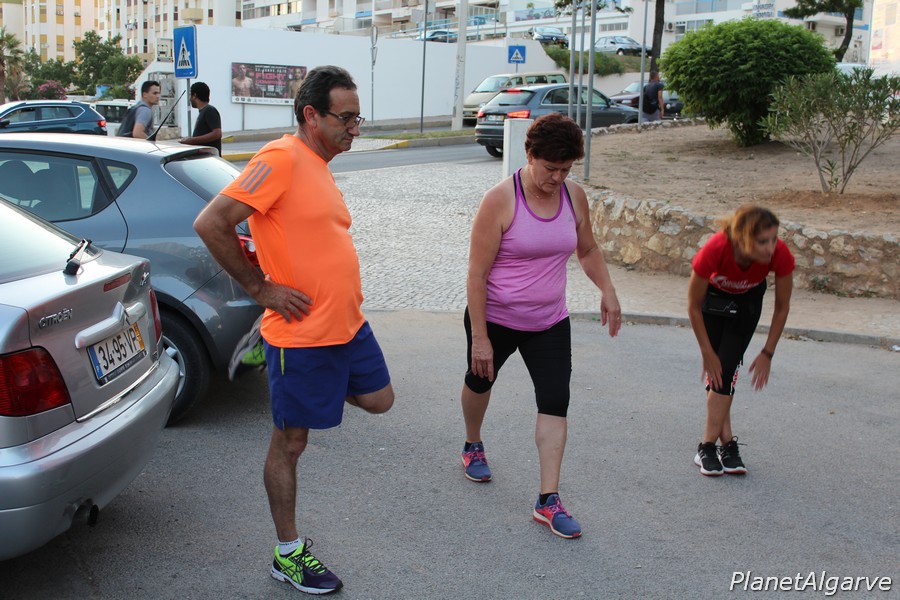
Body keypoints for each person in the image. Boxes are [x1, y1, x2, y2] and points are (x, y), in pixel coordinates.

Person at [193, 65, 392, 595]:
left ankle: (264, 346)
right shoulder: (281, 157)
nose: (355, 128)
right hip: (302, 335)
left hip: (346, 326)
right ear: (311, 115)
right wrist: (260, 290)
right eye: (346, 118)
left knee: (380, 399)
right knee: (291, 443)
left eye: (358, 118)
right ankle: (288, 553)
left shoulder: (319, 164)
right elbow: (212, 222)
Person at [460, 113, 622, 540]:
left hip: (549, 321)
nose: (558, 178)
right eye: (551, 168)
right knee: (479, 381)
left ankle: (548, 500)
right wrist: (480, 339)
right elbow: (477, 274)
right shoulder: (500, 200)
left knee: (555, 400)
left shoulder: (574, 196)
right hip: (495, 317)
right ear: (529, 155)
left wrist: (607, 289)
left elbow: (588, 249)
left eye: (565, 170)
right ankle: (473, 443)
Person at [687, 205, 795, 477]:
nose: (771, 247)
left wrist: (767, 352)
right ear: (742, 238)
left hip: (747, 305)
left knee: (725, 370)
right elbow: (693, 305)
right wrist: (706, 351)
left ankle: (708, 446)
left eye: (774, 239)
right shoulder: (715, 249)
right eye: (763, 241)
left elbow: (782, 307)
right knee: (718, 371)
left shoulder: (780, 253)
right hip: (712, 304)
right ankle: (724, 445)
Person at [180, 81, 222, 156]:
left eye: (190, 95)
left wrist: (192, 140)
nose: (190, 99)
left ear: (194, 95)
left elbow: (217, 133)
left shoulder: (209, 110)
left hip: (209, 158)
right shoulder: (203, 111)